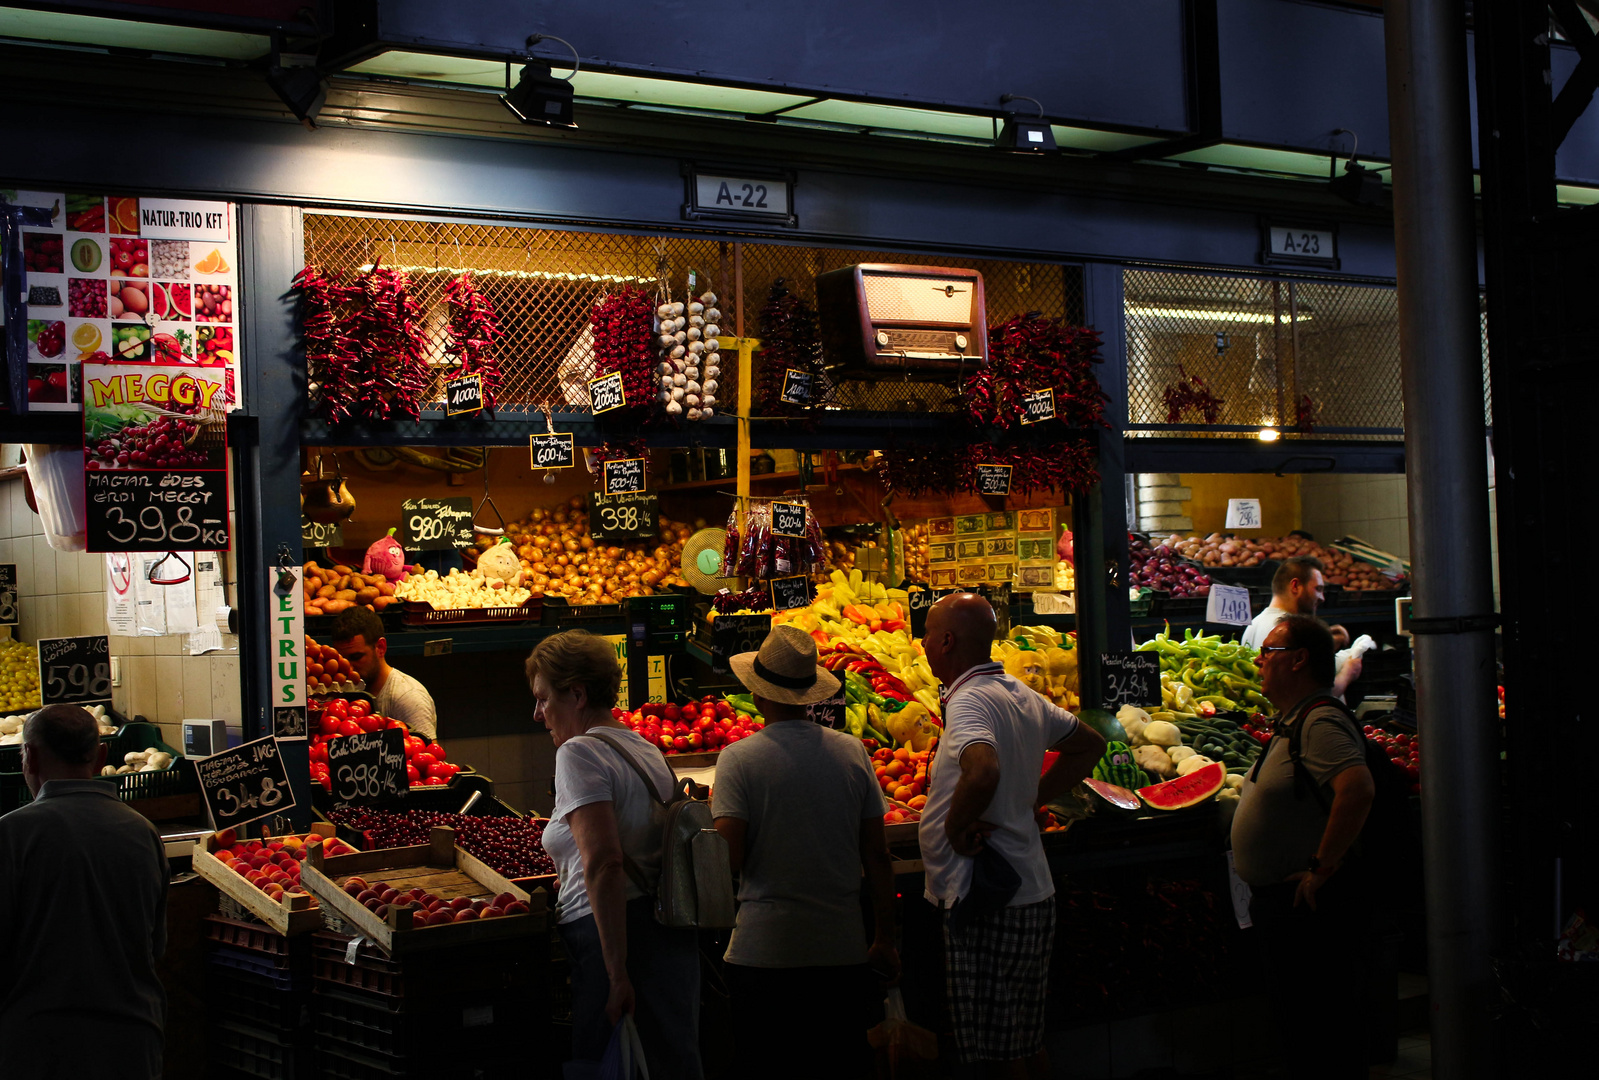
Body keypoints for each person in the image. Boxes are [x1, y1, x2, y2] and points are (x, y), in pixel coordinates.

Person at [917, 593, 1107, 1078]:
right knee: (1023, 1038)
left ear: (945, 641)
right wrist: (1033, 799)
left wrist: (956, 827)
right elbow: (1090, 744)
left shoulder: (969, 701)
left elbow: (982, 771)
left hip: (986, 897)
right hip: (1030, 891)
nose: (921, 642)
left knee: (995, 1054)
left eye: (926, 633)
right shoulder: (1020, 693)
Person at [712, 624, 897, 1078]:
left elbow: (727, 861)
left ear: (757, 695)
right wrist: (886, 938)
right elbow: (877, 855)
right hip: (842, 950)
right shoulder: (852, 753)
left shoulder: (738, 759)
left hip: (764, 953)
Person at [526, 630, 703, 1080]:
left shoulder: (579, 752)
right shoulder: (645, 749)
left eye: (545, 699)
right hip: (666, 934)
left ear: (578, 694)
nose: (538, 713)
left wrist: (616, 971)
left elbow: (605, 861)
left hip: (613, 937)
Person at [1230, 615, 1376, 1080]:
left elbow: (1357, 789)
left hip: (1307, 906)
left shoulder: (1320, 721)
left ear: (1297, 661)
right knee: (1301, 1027)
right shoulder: (1295, 719)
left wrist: (1320, 866)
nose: (1258, 661)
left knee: (1320, 1028)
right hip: (1283, 905)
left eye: (1268, 653)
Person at [0, 704, 169, 1078]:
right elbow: (155, 947)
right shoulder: (144, 833)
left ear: (28, 756)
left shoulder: (12, 835)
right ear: (102, 756)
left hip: (41, 1048)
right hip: (132, 1044)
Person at [1240, 556, 1360, 698]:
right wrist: (1348, 673)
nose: (1322, 597)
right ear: (1295, 586)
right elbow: (1307, 697)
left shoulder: (1255, 623)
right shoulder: (1284, 631)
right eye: (1318, 589)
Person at [330, 606, 437, 740]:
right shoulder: (346, 693)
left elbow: (429, 756)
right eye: (342, 660)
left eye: (356, 657)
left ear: (380, 648)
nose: (349, 668)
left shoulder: (408, 697)